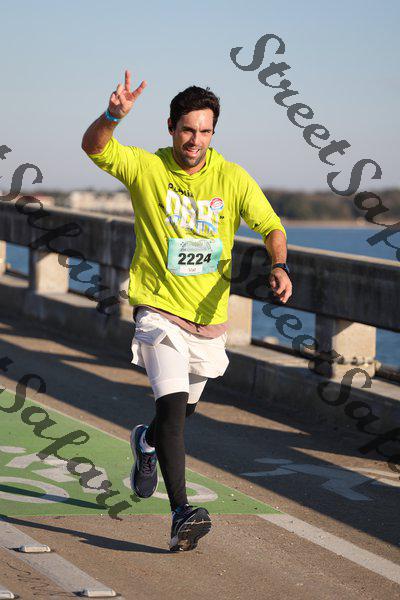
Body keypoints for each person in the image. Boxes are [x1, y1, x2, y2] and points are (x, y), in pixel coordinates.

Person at [81, 70, 292, 552]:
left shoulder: (232, 177)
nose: (195, 140)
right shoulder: (147, 168)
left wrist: (279, 264)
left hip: (208, 321)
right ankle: (181, 512)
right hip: (158, 310)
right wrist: (112, 115)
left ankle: (146, 443)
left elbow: (271, 225)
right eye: (187, 130)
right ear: (171, 128)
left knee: (180, 414)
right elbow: (94, 147)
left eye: (205, 131)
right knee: (173, 409)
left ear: (213, 132)